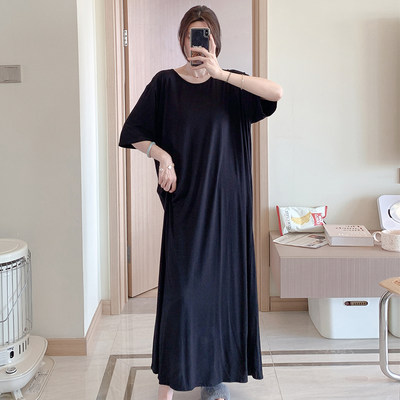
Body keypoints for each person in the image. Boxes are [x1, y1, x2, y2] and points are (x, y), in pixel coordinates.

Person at [119, 5, 282, 400]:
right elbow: (134, 131)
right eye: (192, 34)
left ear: (215, 40)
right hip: (187, 204)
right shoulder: (164, 84)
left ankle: (214, 377)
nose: (198, 42)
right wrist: (164, 158)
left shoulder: (233, 84)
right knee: (184, 294)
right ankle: (170, 381)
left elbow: (276, 92)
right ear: (181, 39)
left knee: (221, 294)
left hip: (228, 205)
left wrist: (220, 73)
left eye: (205, 34)